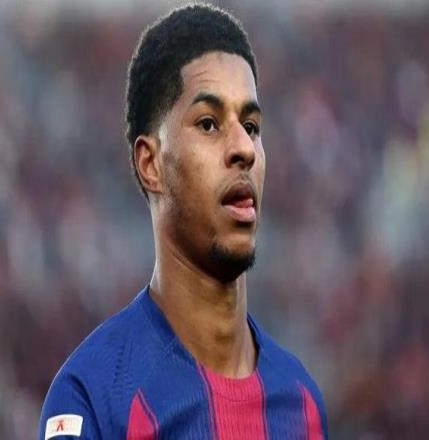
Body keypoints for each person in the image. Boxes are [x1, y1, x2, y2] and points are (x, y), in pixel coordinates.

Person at [39, 4, 328, 439]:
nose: (244, 149)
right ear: (150, 164)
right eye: (209, 124)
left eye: (251, 126)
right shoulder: (94, 395)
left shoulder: (301, 400)